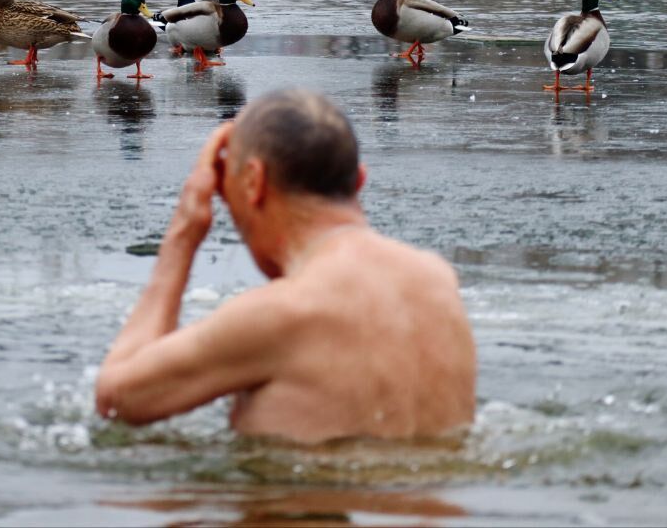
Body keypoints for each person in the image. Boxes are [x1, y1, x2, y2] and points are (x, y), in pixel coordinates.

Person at [95, 89, 476, 443]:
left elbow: (116, 400)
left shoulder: (281, 313)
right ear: (359, 181)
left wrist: (183, 233)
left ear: (253, 183)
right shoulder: (437, 280)